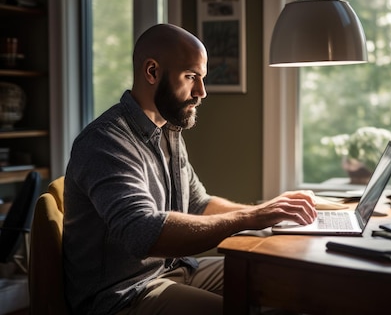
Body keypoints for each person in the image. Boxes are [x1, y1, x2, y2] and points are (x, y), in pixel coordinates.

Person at [63, 23, 318, 315]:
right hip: (123, 296)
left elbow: (198, 204)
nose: (202, 92)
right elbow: (141, 233)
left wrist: (272, 215)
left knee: (295, 283)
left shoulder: (169, 130)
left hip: (176, 269)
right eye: (191, 77)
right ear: (152, 72)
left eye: (202, 78)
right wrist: (251, 217)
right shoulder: (105, 142)